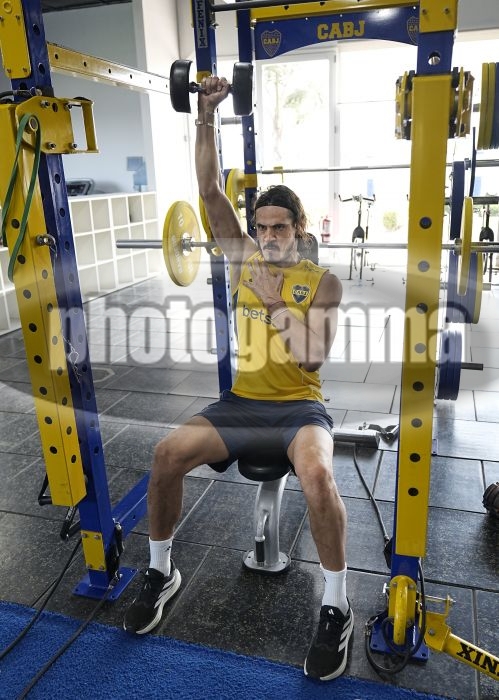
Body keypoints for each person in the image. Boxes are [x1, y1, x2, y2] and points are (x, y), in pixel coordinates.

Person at [124, 75, 352, 682]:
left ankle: (336, 603)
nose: (269, 236)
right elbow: (206, 187)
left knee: (318, 475)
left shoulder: (323, 283)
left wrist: (275, 301)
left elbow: (311, 359)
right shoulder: (243, 258)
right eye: (262, 226)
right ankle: (161, 569)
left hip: (300, 409)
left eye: (281, 227)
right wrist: (205, 115)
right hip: (242, 403)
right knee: (167, 454)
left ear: (300, 229)